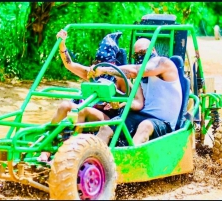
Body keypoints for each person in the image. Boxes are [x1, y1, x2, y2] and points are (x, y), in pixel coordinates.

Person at [38, 30, 144, 162]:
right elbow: (69, 64)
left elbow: (137, 102)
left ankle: (69, 155)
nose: (101, 66)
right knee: (65, 105)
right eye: (98, 62)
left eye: (106, 63)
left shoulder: (120, 79)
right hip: (90, 111)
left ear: (114, 63)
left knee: (82, 110)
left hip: (109, 118)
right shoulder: (93, 73)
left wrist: (120, 102)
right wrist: (62, 44)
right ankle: (45, 151)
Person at [89, 37, 183, 146]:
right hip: (141, 115)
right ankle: (94, 160)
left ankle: (131, 160)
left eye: (143, 52)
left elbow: (135, 71)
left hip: (163, 123)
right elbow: (139, 103)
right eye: (136, 55)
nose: (140, 57)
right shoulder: (142, 78)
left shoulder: (164, 63)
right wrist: (121, 104)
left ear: (152, 50)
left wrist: (105, 70)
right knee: (106, 127)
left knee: (145, 126)